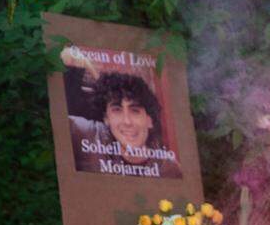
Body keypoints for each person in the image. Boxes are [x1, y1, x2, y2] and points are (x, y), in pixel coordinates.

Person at [63, 48, 182, 179]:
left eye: (135, 110)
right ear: (106, 118)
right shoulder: (90, 135)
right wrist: (82, 64)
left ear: (149, 119)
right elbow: (66, 54)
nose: (127, 121)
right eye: (117, 110)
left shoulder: (169, 168)